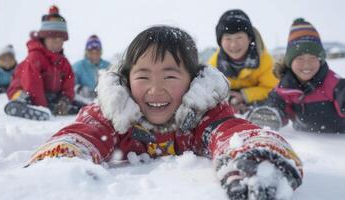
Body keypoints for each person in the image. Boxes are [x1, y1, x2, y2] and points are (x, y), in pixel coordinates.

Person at [27, 26, 303, 199]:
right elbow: (83, 133)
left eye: (170, 77)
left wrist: (256, 153)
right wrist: (60, 161)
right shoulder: (115, 114)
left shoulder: (201, 113)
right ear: (125, 79)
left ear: (193, 81)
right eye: (143, 77)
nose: (155, 89)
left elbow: (230, 131)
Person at [247, 18, 345, 133]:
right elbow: (275, 104)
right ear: (290, 62)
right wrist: (269, 114)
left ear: (320, 60)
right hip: (306, 142)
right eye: (300, 58)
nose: (307, 64)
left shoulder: (334, 84)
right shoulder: (285, 88)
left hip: (337, 142)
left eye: (313, 58)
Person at [5, 5, 79, 120]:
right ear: (44, 38)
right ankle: (20, 107)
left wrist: (66, 99)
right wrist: (42, 107)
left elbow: (69, 81)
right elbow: (32, 84)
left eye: (61, 40)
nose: (57, 43)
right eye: (54, 39)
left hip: (48, 95)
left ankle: (62, 106)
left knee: (67, 101)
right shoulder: (35, 56)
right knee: (24, 96)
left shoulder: (63, 61)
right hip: (24, 90)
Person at [208, 9, 278, 114]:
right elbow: (209, 91)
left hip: (256, 105)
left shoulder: (264, 60)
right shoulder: (214, 64)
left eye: (239, 37)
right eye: (228, 39)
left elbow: (272, 89)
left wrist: (245, 95)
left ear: (249, 38)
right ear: (220, 42)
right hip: (229, 107)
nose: (233, 45)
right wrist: (227, 99)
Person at [73, 35, 111, 104]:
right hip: (83, 102)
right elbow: (71, 86)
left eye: (97, 52)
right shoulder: (78, 66)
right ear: (86, 52)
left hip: (105, 102)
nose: (94, 54)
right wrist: (80, 89)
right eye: (91, 52)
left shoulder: (108, 66)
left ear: (100, 52)